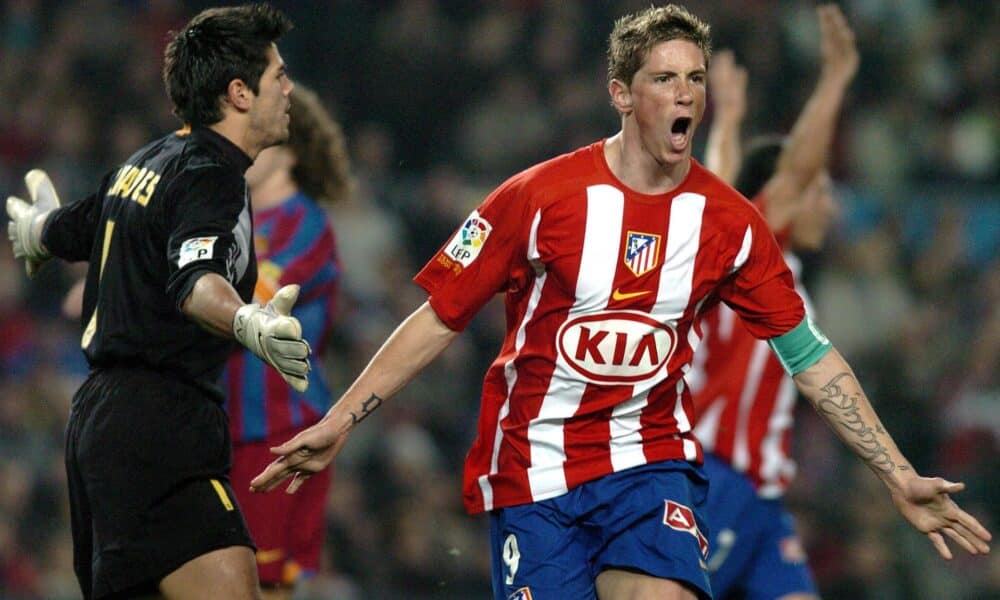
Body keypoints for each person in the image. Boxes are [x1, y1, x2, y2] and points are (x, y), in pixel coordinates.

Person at [251, 4, 992, 600]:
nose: (685, 95)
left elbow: (809, 355)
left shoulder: (729, 224)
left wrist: (896, 471)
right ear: (621, 93)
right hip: (534, 470)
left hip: (649, 463)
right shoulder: (537, 197)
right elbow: (441, 317)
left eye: (695, 79)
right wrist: (341, 419)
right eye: (665, 78)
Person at [4, 5, 311, 599]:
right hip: (160, 426)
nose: (289, 88)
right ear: (240, 93)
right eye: (279, 76)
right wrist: (247, 321)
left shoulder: (147, 162)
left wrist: (36, 228)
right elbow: (196, 281)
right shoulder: (213, 176)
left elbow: (75, 228)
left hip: (96, 427)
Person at [688, 5, 861, 599]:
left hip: (763, 495)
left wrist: (731, 121)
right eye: (821, 191)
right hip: (717, 477)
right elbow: (779, 178)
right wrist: (836, 77)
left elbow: (721, 187)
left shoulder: (774, 268)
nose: (828, 206)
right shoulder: (755, 255)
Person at [225, 83, 351, 599]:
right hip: (231, 429)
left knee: (260, 584)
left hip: (278, 431)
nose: (243, 150)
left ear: (291, 152)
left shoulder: (304, 222)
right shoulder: (233, 219)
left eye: (258, 140)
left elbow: (254, 298)